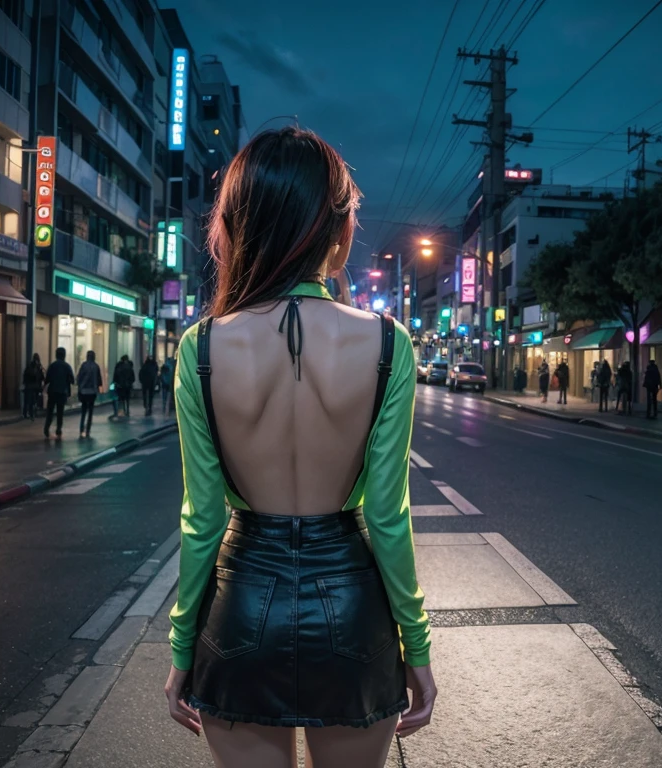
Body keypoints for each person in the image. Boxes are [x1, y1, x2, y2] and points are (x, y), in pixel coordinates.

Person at [163, 126, 435, 767]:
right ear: (339, 234)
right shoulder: (388, 344)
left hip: (239, 610)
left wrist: (181, 650)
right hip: (352, 611)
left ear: (232, 229)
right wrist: (416, 649)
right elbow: (389, 516)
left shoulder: (200, 349)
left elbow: (202, 521)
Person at [43, 347, 75, 438]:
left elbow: (47, 379)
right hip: (62, 392)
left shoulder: (52, 366)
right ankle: (58, 429)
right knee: (60, 412)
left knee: (50, 411)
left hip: (52, 391)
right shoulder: (67, 366)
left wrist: (44, 387)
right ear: (64, 355)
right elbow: (72, 380)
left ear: (56, 355)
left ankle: (46, 427)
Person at [77, 350, 104, 438]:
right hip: (92, 391)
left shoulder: (84, 365)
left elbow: (79, 377)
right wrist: (99, 388)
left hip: (84, 391)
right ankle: (88, 428)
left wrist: (79, 386)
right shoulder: (96, 366)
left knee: (84, 410)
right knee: (91, 410)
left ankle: (81, 428)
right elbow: (99, 379)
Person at [22, 354, 45, 420]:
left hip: (33, 386)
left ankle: (29, 414)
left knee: (31, 401)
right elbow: (34, 376)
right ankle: (29, 414)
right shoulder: (33, 367)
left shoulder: (37, 367)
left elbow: (41, 376)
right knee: (30, 401)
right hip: (32, 386)